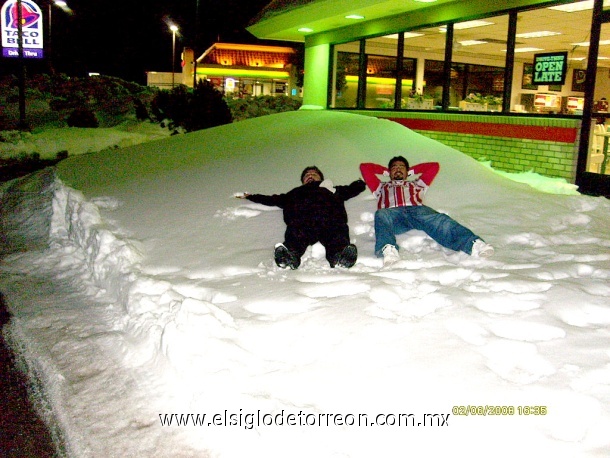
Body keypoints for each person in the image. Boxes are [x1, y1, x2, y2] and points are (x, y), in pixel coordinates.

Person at [360, 156, 494, 266]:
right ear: (390, 172)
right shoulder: (381, 187)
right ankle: (388, 250)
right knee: (381, 214)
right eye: (394, 167)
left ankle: (473, 244)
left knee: (439, 219)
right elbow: (364, 167)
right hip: (393, 214)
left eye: (402, 167)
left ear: (408, 172)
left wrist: (410, 171)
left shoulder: (417, 184)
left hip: (417, 211)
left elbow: (434, 166)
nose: (398, 169)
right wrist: (386, 171)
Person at [238, 166, 366, 269]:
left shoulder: (332, 189)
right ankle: (289, 257)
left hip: (330, 221)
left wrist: (360, 183)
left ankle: (339, 257)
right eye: (306, 175)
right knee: (295, 235)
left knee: (337, 235)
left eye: (313, 174)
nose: (310, 176)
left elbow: (351, 189)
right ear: (303, 180)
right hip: (303, 223)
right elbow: (272, 199)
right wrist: (251, 196)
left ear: (320, 178)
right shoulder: (294, 193)